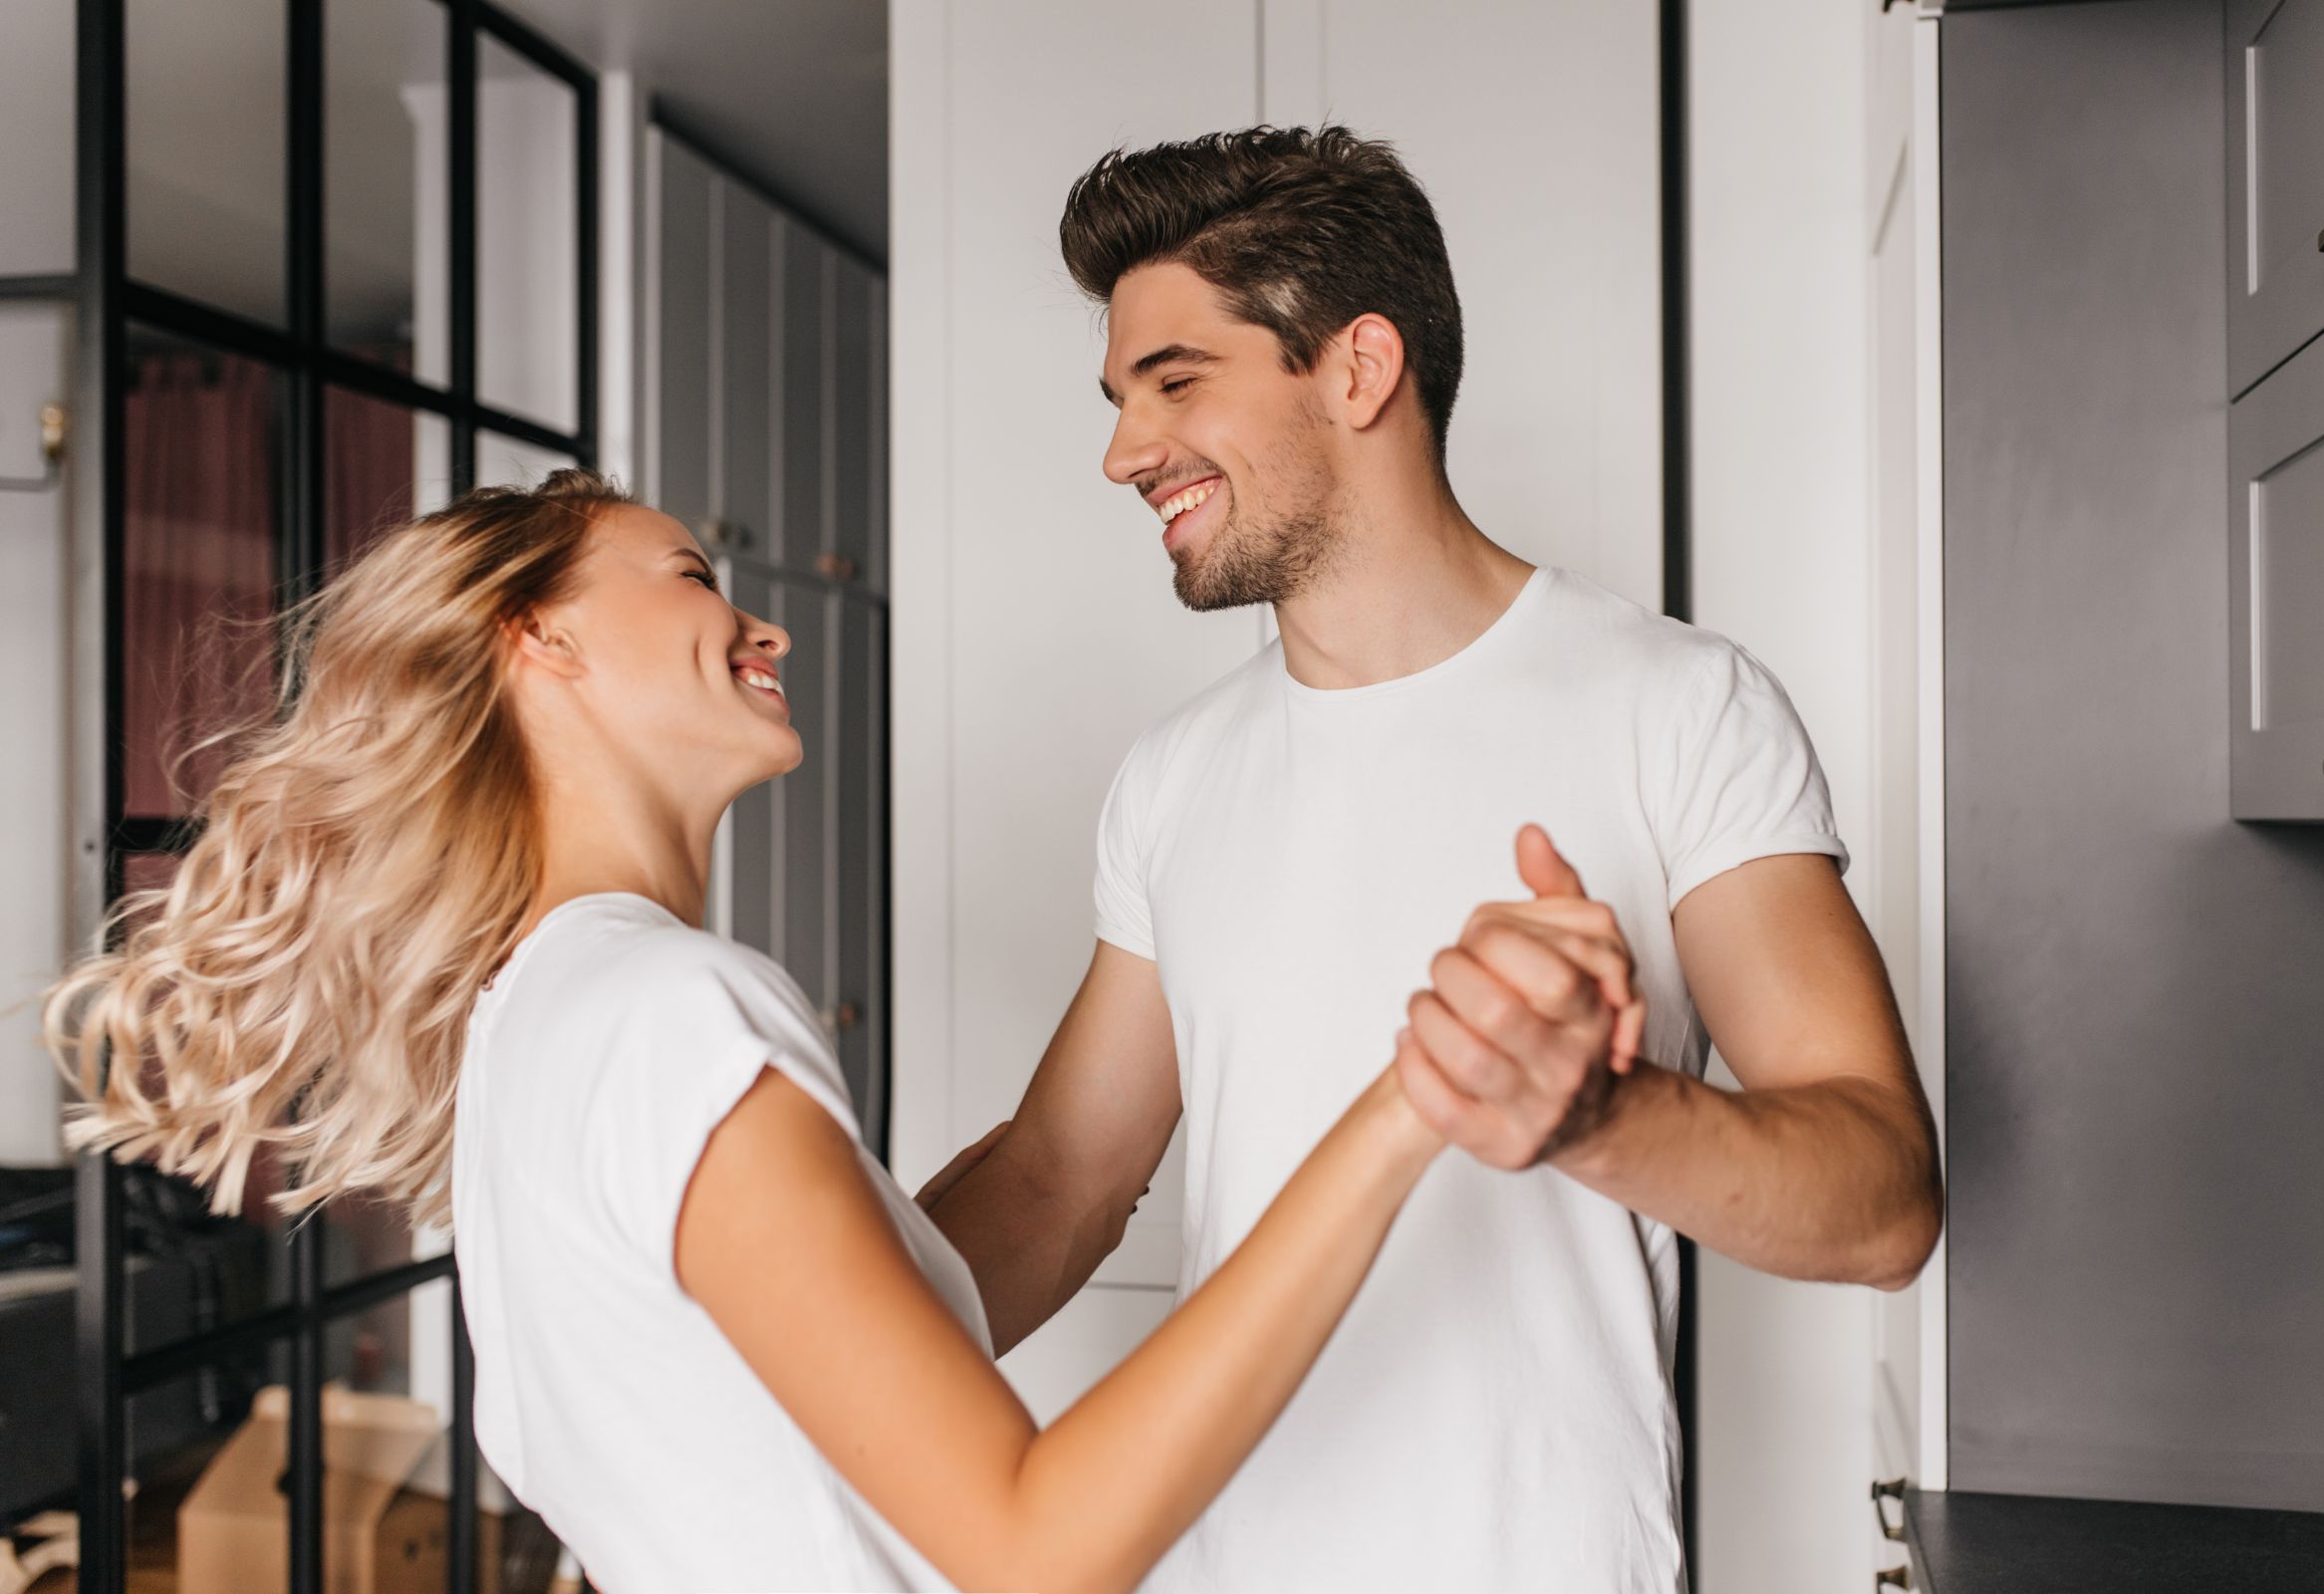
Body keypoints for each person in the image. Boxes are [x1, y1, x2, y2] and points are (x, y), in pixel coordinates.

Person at [45, 471, 1633, 1593]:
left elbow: (876, 1335)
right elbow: (1030, 1550)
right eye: (690, 578)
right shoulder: (673, 1013)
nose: (764, 629)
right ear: (542, 642)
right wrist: (1411, 1102)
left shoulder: (540, 1023)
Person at [917, 127, 1947, 1593]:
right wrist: (789, 1336)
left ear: (1356, 369)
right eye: (1119, 400)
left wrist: (1596, 1117)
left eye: (1177, 383)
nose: (1124, 452)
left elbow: (1884, 1199)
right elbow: (1059, 1177)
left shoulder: (1678, 708)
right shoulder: (1173, 779)